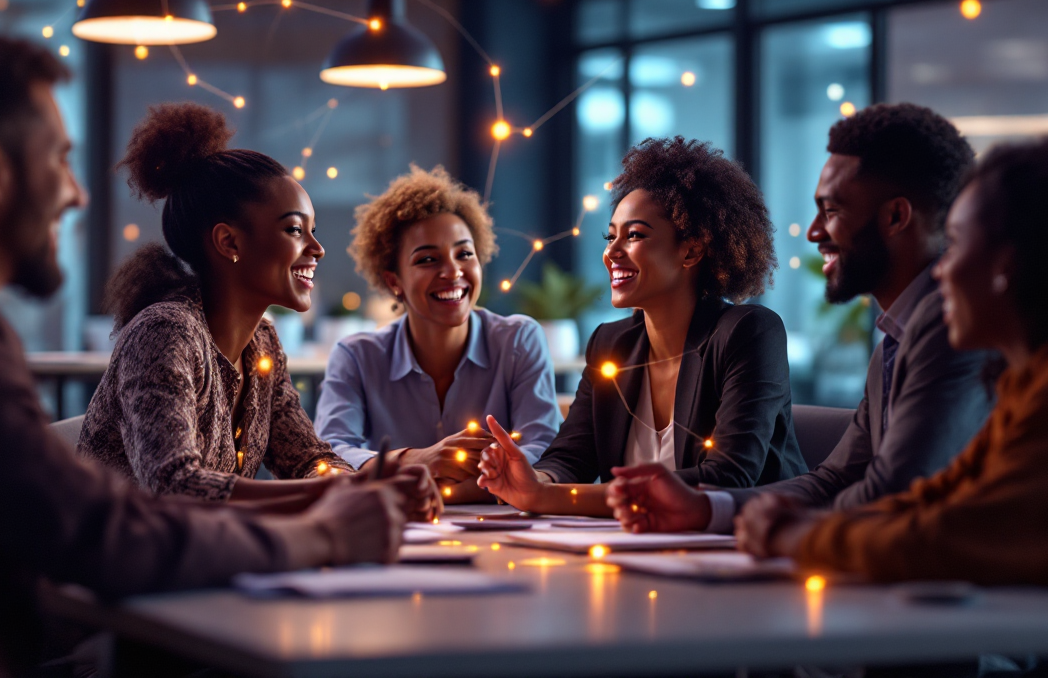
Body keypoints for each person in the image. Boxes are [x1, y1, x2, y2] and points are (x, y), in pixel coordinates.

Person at [0, 27, 428, 677]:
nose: (77, 193)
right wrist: (324, 533)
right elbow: (103, 536)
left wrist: (351, 487)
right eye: (59, 159)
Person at [734, 137, 1048, 599]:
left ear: (1007, 266)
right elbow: (938, 498)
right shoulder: (1032, 377)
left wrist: (796, 536)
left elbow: (959, 537)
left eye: (955, 244)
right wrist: (799, 525)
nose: (940, 271)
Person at [607, 104, 991, 534]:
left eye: (831, 211)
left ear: (895, 217)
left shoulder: (952, 330)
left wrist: (782, 533)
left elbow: (892, 492)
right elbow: (835, 480)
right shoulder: (894, 344)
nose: (813, 232)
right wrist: (705, 509)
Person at [477, 136, 806, 516]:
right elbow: (571, 458)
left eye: (634, 235)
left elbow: (727, 477)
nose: (612, 252)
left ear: (692, 250)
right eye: (610, 236)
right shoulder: (611, 344)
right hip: (643, 547)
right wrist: (535, 480)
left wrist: (547, 497)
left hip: (750, 549)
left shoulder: (748, 333)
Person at [78, 103, 376, 509]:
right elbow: (176, 486)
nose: (317, 249)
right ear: (229, 242)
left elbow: (308, 457)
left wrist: (346, 481)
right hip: (114, 566)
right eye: (294, 229)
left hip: (206, 560)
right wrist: (324, 492)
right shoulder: (164, 333)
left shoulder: (262, 344)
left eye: (313, 231)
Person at [315, 166, 562, 503]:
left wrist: (439, 487)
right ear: (394, 282)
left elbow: (544, 447)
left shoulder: (519, 339)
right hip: (393, 532)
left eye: (464, 254)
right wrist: (415, 460)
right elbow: (332, 454)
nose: (453, 271)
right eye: (428, 259)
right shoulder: (356, 356)